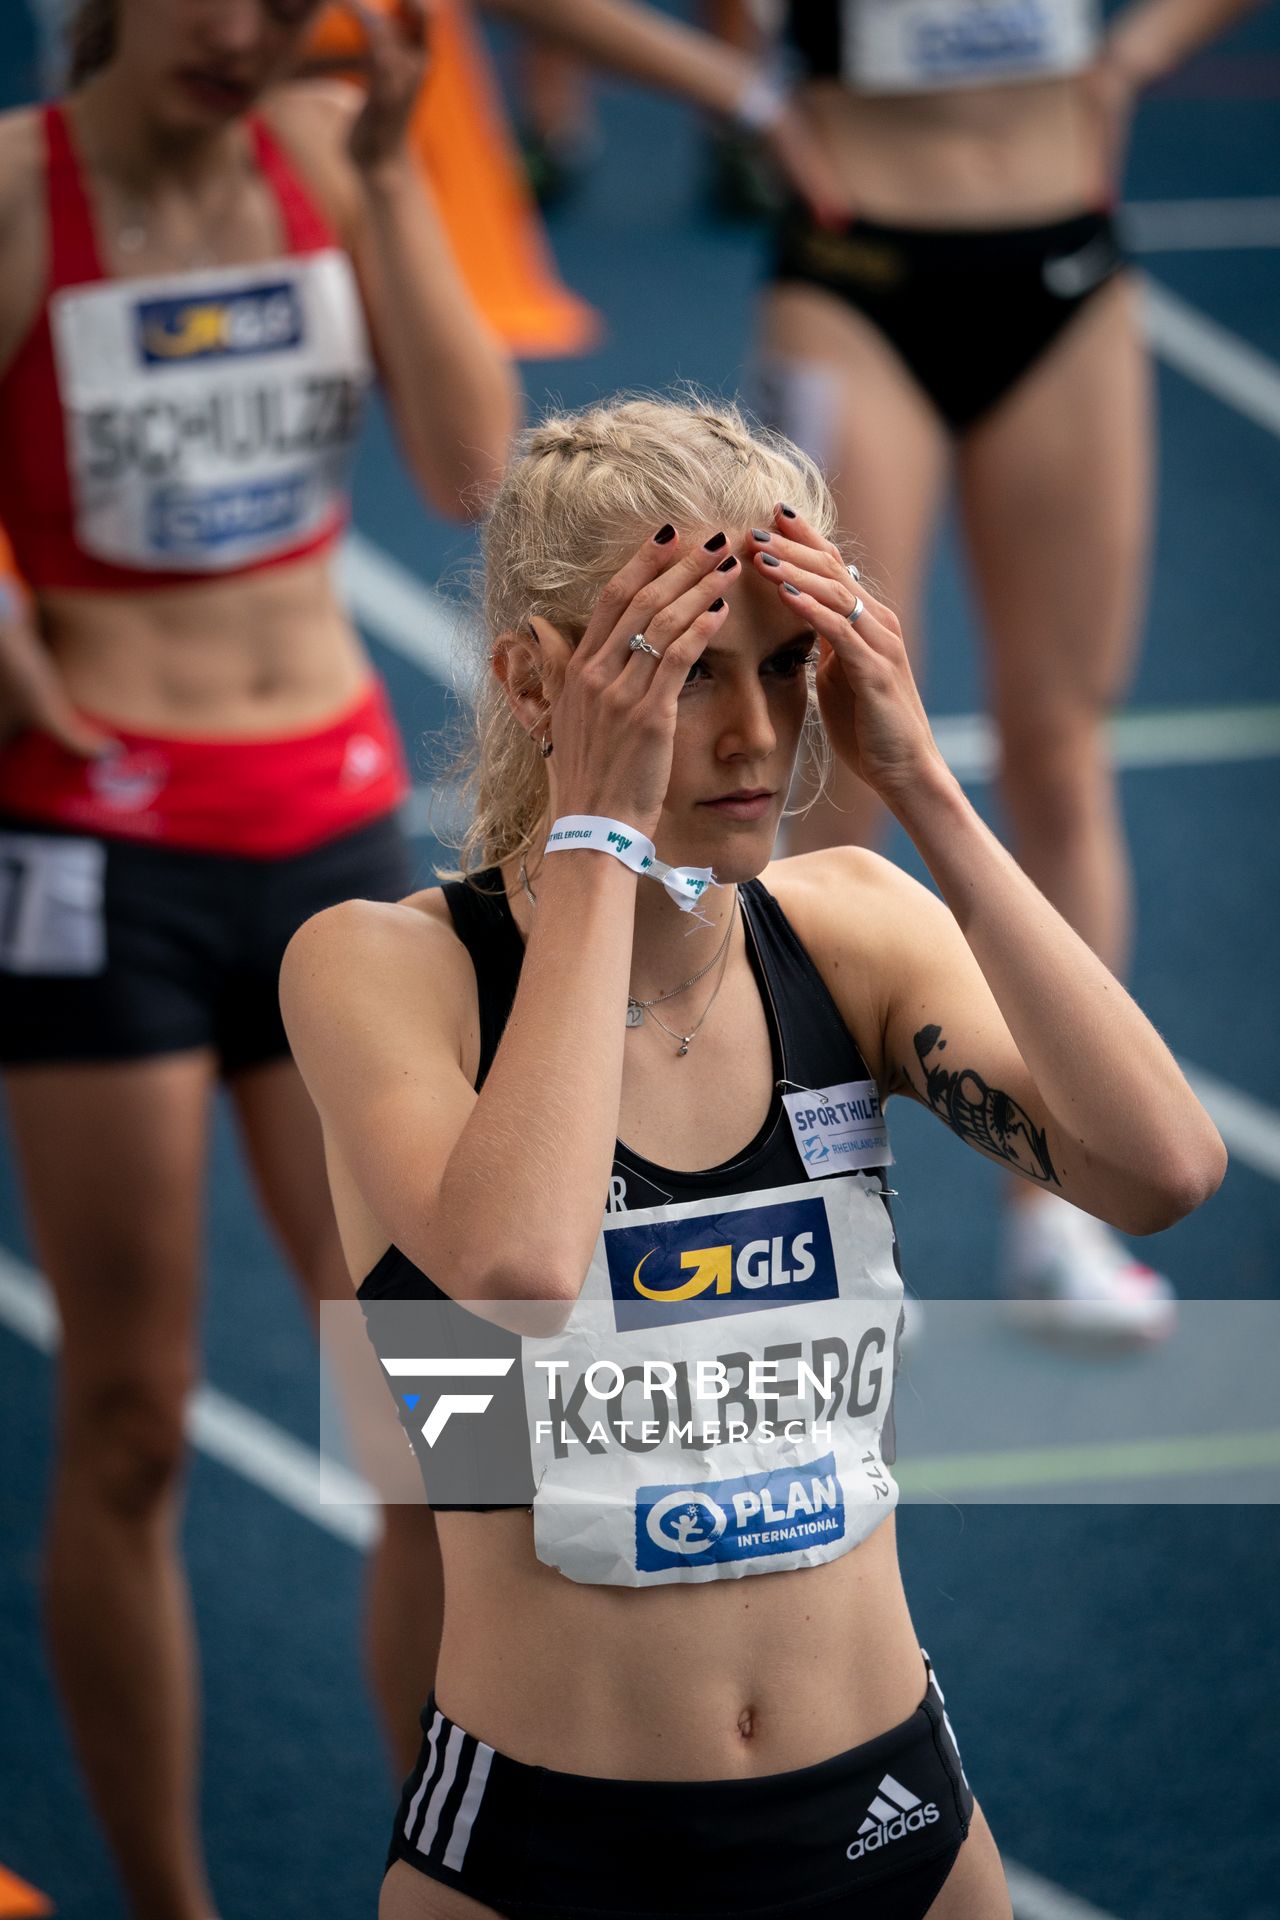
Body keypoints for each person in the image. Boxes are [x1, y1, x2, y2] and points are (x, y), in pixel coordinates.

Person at [280, 395, 1226, 1920]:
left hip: (891, 1812)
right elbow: (514, 1272)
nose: (755, 734)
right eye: (678, 670)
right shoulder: (386, 971)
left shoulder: (847, 930)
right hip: (546, 1847)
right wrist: (595, 832)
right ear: (535, 679)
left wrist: (927, 791)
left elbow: (1163, 1169)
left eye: (787, 666)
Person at [0, 2, 517, 1915]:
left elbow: (473, 474)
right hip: (95, 851)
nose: (245, 31)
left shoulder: (322, 148)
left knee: (443, 1410)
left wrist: (388, 182)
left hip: (326, 841)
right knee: (131, 1418)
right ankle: (167, 1900)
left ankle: (459, 1869)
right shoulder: (18, 197)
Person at [752, 0, 1262, 1329]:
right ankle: (814, 1211)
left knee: (1061, 744)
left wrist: (1139, 54)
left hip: (1068, 278)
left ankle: (1057, 1215)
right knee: (826, 755)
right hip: (854, 274)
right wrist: (734, 87)